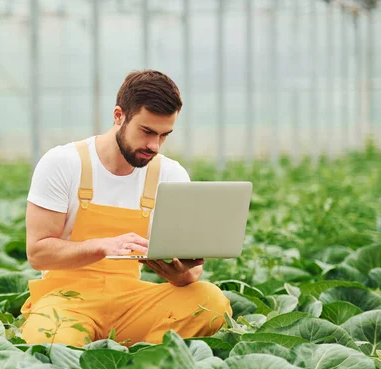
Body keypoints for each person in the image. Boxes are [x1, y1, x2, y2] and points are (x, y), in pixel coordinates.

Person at [20, 70, 232, 347]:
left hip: (131, 302)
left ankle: (144, 360)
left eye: (164, 135)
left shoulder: (170, 174)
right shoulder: (63, 162)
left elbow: (190, 277)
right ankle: (138, 353)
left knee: (211, 302)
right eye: (146, 132)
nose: (154, 145)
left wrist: (179, 273)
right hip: (66, 300)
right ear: (119, 116)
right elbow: (38, 254)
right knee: (48, 340)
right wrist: (102, 246)